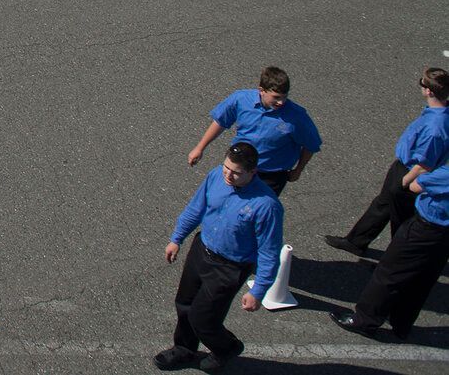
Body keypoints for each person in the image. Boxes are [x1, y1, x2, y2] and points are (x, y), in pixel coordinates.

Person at [155, 142, 283, 373]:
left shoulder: (266, 205)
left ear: (253, 173)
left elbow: (269, 251)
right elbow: (196, 208)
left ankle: (226, 347)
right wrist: (177, 238)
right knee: (184, 304)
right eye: (226, 167)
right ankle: (184, 349)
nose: (228, 175)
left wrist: (258, 290)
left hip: (230, 266)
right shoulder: (216, 176)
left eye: (236, 172)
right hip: (202, 250)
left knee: (203, 319)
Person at [325, 68, 449, 257]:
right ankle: (356, 241)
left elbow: (425, 164)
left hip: (409, 173)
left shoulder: (435, 127)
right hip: (402, 167)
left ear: (429, 91)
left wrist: (404, 182)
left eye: (421, 83)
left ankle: (396, 258)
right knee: (382, 204)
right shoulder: (439, 112)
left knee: (401, 220)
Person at [331, 162, 449, 341]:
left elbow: (414, 186)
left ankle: (365, 320)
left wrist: (418, 171)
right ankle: (402, 324)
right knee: (422, 279)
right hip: (444, 237)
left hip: (427, 227)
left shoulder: (445, 173)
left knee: (389, 272)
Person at [188, 67, 322, 197]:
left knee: (257, 213)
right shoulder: (240, 100)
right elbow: (220, 121)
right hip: (238, 166)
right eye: (276, 97)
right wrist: (200, 148)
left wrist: (298, 170)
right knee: (223, 203)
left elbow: (311, 145)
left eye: (284, 97)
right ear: (261, 90)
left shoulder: (297, 117)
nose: (281, 102)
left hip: (270, 177)